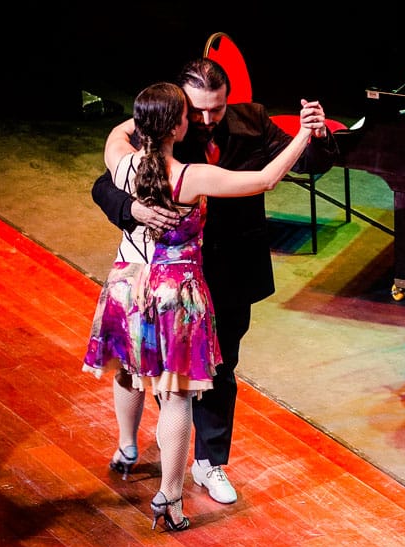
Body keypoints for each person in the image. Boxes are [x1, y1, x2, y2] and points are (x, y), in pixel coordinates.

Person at [91, 58, 338, 504]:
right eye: (197, 110)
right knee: (166, 381)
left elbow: (304, 163)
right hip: (177, 284)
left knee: (216, 370)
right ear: (178, 112)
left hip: (225, 271)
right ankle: (168, 485)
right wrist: (133, 210)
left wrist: (313, 134)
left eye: (217, 109)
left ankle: (207, 462)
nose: (206, 119)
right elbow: (103, 186)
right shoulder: (177, 152)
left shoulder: (251, 120)